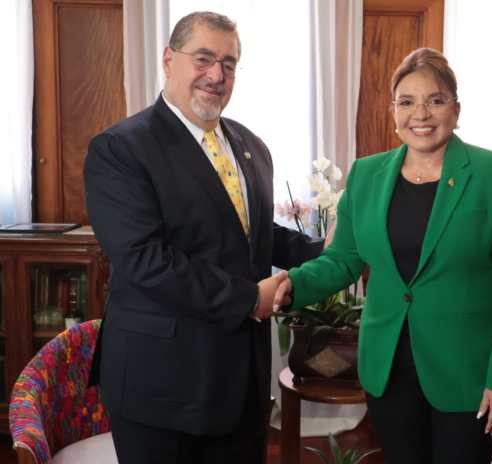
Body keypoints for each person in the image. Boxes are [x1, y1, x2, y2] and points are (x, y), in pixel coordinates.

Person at [274, 48, 492, 463]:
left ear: (456, 108)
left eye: (436, 100)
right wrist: (292, 286)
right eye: (407, 102)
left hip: (467, 373)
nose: (422, 114)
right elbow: (343, 258)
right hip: (388, 369)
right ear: (393, 111)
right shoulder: (366, 174)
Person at [84, 11, 323, 464]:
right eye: (204, 58)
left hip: (241, 384)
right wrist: (251, 298)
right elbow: (145, 260)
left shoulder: (252, 146)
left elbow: (253, 235)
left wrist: (330, 251)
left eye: (229, 63)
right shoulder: (121, 148)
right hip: (162, 386)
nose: (217, 74)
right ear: (168, 60)